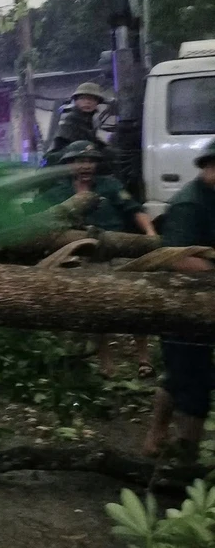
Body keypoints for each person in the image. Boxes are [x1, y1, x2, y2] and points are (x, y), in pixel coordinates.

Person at [42, 140, 157, 378]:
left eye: (90, 161)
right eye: (79, 161)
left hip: (117, 248)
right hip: (82, 254)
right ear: (68, 164)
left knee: (136, 303)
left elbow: (134, 209)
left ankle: (144, 360)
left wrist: (150, 235)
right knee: (99, 308)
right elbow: (40, 219)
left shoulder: (110, 185)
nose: (85, 166)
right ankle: (106, 363)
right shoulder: (57, 192)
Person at [143, 137, 215, 459]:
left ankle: (155, 439)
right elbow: (177, 259)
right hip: (182, 305)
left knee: (179, 376)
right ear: (207, 168)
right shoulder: (190, 203)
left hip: (205, 303)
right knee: (193, 383)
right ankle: (187, 457)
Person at [44, 82, 109, 166]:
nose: (87, 102)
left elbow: (94, 141)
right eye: (83, 98)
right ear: (76, 101)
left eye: (92, 99)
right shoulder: (70, 119)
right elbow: (70, 145)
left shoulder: (91, 121)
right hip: (63, 161)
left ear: (97, 103)